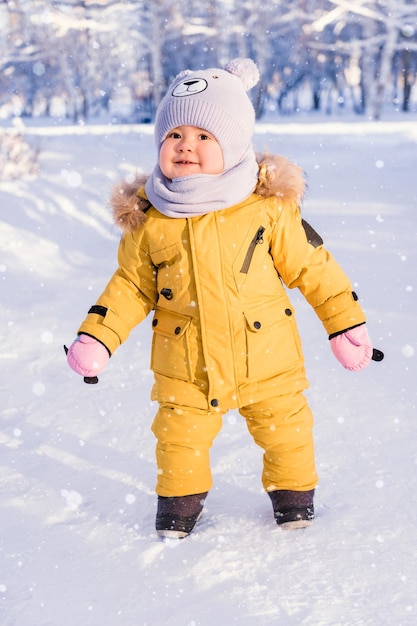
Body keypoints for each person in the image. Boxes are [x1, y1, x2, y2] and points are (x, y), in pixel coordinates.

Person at [66, 58, 383, 539]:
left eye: (203, 136)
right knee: (178, 439)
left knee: (288, 432)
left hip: (266, 357)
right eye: (175, 135)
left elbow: (313, 268)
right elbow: (130, 286)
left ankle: (294, 500)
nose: (186, 146)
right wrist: (98, 336)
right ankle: (178, 510)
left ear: (233, 144)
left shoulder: (266, 209)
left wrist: (345, 323)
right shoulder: (152, 218)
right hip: (185, 363)